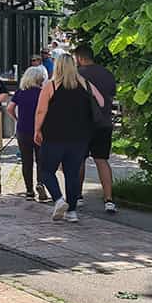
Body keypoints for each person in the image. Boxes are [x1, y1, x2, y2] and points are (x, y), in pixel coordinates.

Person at [35, 53, 105, 223]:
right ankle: (72, 211)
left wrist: (37, 129)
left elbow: (41, 110)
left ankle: (59, 199)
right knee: (72, 174)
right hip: (80, 136)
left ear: (57, 67)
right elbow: (101, 102)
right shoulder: (85, 84)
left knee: (46, 171)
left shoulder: (51, 86)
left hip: (54, 135)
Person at [75, 44, 118, 214]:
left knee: (79, 159)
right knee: (102, 160)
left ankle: (77, 196)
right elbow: (112, 95)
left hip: (81, 123)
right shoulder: (107, 73)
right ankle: (109, 199)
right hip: (104, 122)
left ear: (79, 58)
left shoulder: (78, 74)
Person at [9, 65, 49, 201]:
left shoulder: (20, 92)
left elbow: (10, 108)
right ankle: (40, 184)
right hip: (39, 130)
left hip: (22, 130)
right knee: (41, 160)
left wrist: (16, 119)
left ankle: (29, 191)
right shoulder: (42, 92)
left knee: (26, 161)